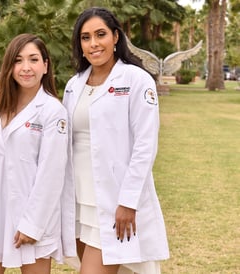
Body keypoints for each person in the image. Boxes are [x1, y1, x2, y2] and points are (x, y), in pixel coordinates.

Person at [63, 7, 170, 274]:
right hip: (77, 198)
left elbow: (145, 146)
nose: (93, 43)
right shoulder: (74, 84)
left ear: (115, 38)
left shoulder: (136, 80)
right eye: (85, 37)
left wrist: (128, 201)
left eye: (100, 35)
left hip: (113, 200)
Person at [0, 33, 76, 274]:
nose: (25, 68)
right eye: (18, 61)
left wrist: (33, 225)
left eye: (33, 60)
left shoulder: (53, 111)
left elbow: (52, 173)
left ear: (45, 65)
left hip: (32, 215)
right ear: (9, 67)